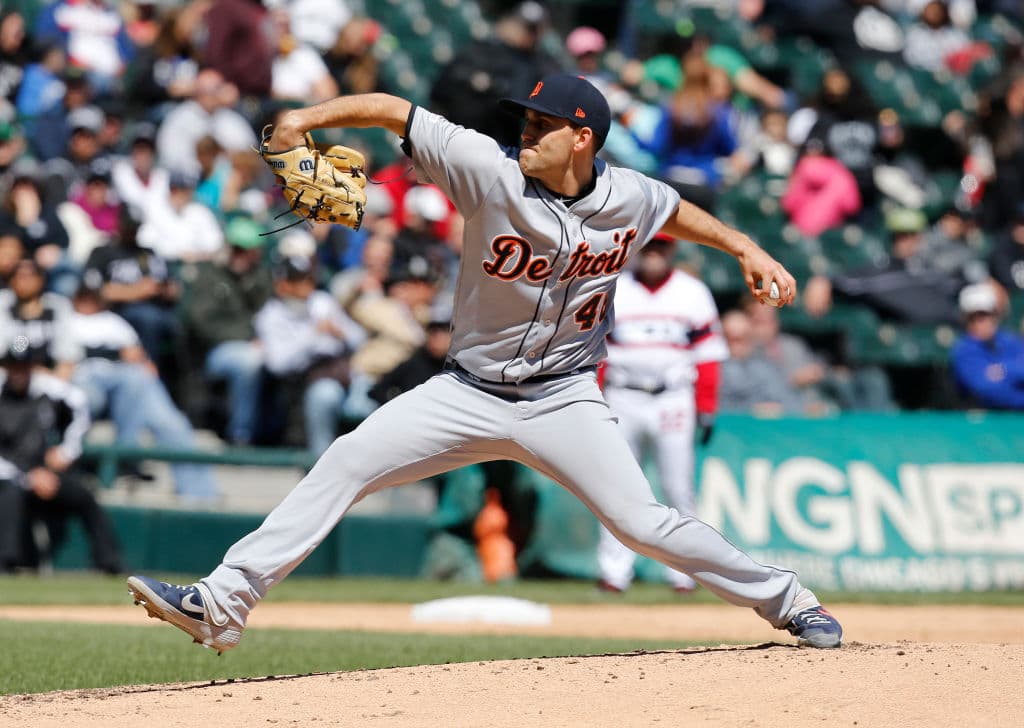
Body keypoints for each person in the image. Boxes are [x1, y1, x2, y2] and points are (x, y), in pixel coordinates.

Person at [126, 74, 843, 652]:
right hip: (464, 392)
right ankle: (222, 603)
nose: (524, 133)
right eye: (523, 121)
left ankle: (791, 601)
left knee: (642, 524)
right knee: (346, 461)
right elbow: (387, 109)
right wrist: (300, 120)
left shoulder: (630, 195)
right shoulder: (484, 170)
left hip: (564, 398)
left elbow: (675, 210)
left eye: (541, 124)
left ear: (582, 137)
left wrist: (747, 247)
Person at [595, 235, 728, 594]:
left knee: (678, 488)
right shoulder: (614, 288)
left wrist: (707, 405)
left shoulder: (692, 291)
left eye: (661, 247)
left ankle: (685, 575)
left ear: (672, 251)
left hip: (673, 398)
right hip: (623, 395)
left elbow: (708, 353)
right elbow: (596, 352)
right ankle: (613, 573)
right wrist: (594, 400)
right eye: (649, 246)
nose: (654, 253)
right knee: (615, 487)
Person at [66, 283, 220, 501]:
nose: (88, 302)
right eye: (83, 296)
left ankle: (199, 493)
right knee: (84, 398)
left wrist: (142, 363)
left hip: (121, 377)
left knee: (169, 420)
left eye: (92, 296)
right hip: (78, 377)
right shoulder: (57, 316)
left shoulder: (113, 322)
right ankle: (71, 472)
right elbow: (23, 345)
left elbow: (138, 357)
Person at [0, 334, 123, 574]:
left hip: (43, 475)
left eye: (25, 366)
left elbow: (79, 407)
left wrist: (66, 452)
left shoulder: (48, 390)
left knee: (84, 494)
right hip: (7, 479)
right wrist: (27, 476)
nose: (19, 372)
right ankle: (6, 563)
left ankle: (110, 562)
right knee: (9, 493)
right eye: (14, 366)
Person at [950, 282, 1024, 409]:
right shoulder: (964, 350)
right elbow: (985, 389)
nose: (981, 322)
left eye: (986, 315)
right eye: (974, 317)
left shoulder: (1011, 341)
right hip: (985, 420)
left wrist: (1003, 370)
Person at [718, 308, 805, 415]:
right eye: (732, 338)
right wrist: (752, 409)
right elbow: (713, 406)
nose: (738, 344)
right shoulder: (714, 370)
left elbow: (792, 403)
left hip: (768, 429)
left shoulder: (765, 367)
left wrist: (779, 408)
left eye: (744, 337)